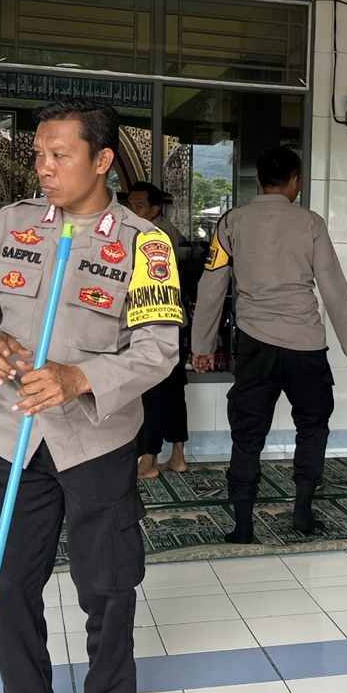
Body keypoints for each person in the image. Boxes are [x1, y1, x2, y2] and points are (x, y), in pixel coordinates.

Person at [0, 101, 183, 693]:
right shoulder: (14, 225)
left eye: (58, 156)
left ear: (102, 160)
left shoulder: (146, 246)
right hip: (15, 440)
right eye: (38, 156)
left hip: (96, 442)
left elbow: (159, 349)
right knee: (7, 589)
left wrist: (81, 377)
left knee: (106, 587)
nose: (42, 168)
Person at [189, 146, 347, 542]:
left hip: (255, 345)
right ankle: (302, 513)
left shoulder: (231, 222)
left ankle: (243, 524)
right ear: (296, 182)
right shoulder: (311, 223)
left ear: (258, 182)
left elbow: (212, 284)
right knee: (312, 426)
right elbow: (333, 287)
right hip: (306, 345)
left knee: (248, 432)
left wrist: (201, 345)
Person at [124, 180, 190, 479]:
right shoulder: (155, 228)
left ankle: (149, 458)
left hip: (158, 322)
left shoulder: (155, 236)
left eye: (138, 206)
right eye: (130, 204)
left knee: (154, 391)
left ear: (154, 208)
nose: (131, 210)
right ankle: (177, 456)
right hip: (173, 322)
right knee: (173, 392)